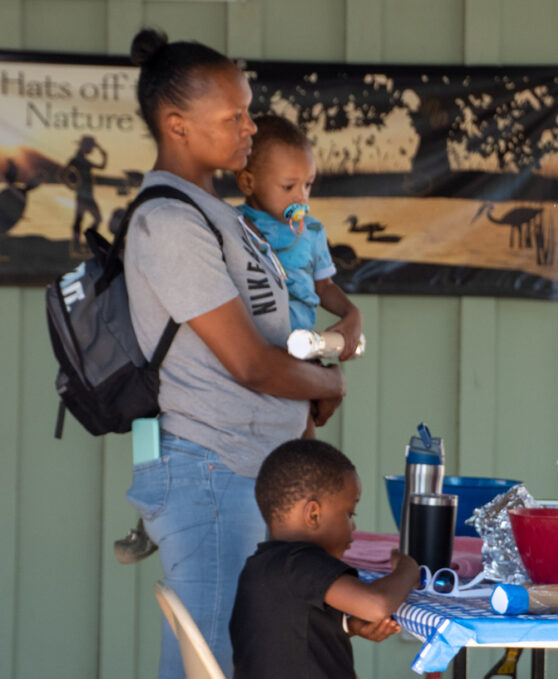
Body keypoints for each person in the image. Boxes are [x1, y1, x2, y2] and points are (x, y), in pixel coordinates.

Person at [122, 28, 346, 678]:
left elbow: (273, 341)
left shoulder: (215, 211)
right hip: (212, 472)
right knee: (208, 663)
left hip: (245, 470)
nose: (251, 126)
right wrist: (324, 385)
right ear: (177, 125)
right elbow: (248, 362)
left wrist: (309, 383)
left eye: (248, 109)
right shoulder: (169, 223)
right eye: (234, 115)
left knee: (243, 657)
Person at [230, 439, 419, 679]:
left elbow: (290, 635)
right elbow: (377, 604)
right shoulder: (300, 561)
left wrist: (348, 627)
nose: (354, 525)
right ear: (314, 514)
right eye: (349, 513)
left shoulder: (262, 566)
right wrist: (408, 567)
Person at [235, 114, 362, 436]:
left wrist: (350, 314)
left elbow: (324, 285)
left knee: (303, 441)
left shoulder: (312, 231)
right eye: (288, 186)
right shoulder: (233, 227)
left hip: (298, 359)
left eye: (307, 185)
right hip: (253, 356)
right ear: (248, 182)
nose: (301, 197)